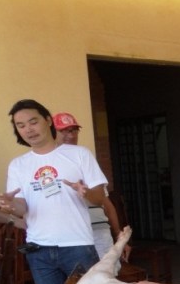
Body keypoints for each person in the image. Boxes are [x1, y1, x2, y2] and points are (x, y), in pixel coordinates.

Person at [0, 99, 109, 284]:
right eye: (21, 125)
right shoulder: (18, 165)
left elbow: (99, 199)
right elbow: (22, 208)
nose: (28, 130)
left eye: (33, 122)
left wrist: (86, 193)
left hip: (77, 245)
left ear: (48, 121)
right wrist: (10, 205)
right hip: (39, 249)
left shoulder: (79, 154)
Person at [52, 111, 130, 264]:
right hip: (70, 236)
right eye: (64, 130)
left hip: (99, 233)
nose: (71, 135)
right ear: (52, 133)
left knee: (106, 278)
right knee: (77, 283)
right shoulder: (47, 164)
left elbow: (106, 204)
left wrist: (119, 237)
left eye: (74, 130)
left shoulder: (84, 158)